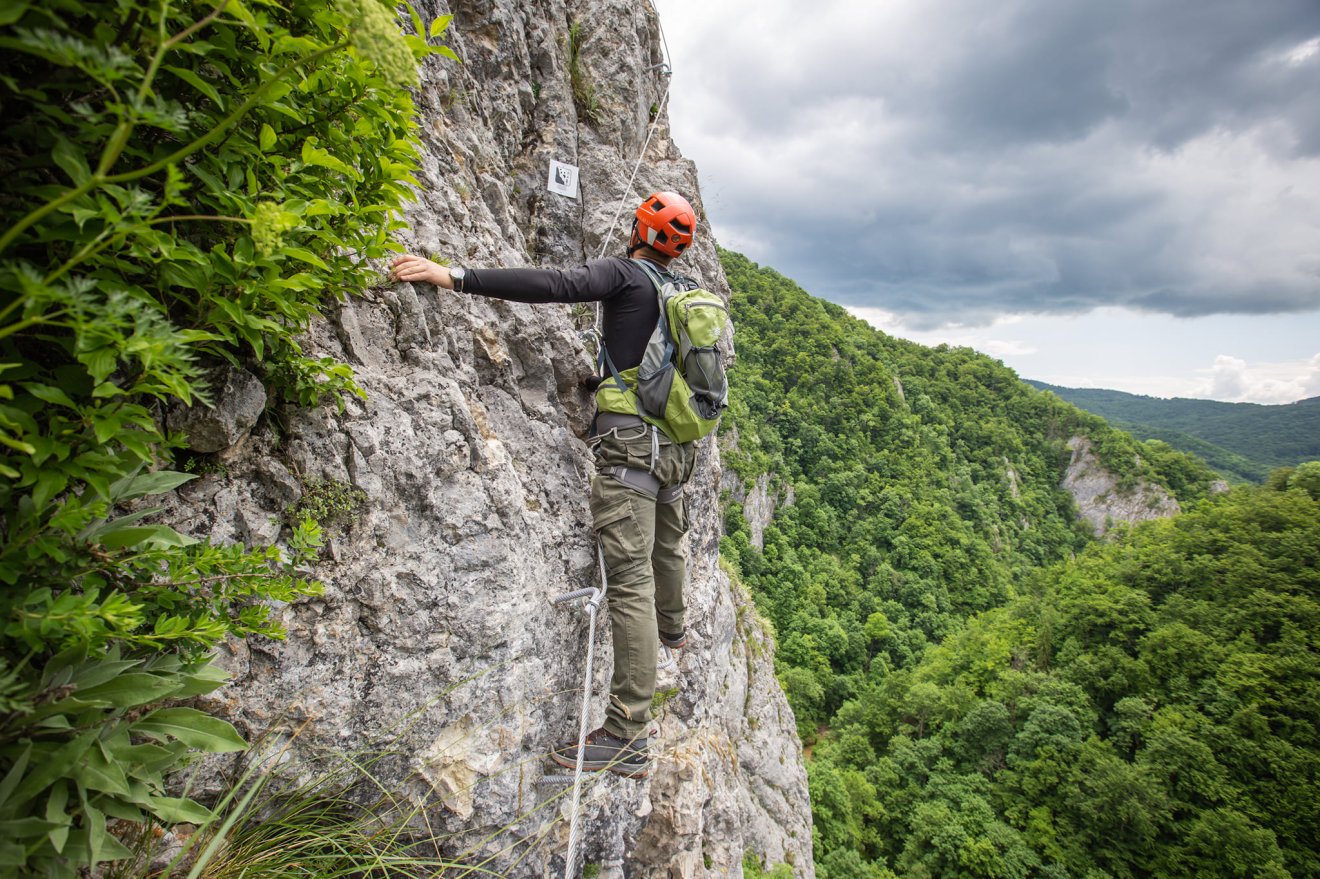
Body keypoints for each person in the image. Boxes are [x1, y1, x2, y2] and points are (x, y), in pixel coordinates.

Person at [390, 191, 701, 779]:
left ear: (639, 228)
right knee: (668, 547)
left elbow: (554, 283)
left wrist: (451, 275)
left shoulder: (624, 274)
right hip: (677, 450)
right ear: (679, 248)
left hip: (630, 450)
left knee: (628, 583)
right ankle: (676, 627)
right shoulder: (684, 295)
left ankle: (626, 733)